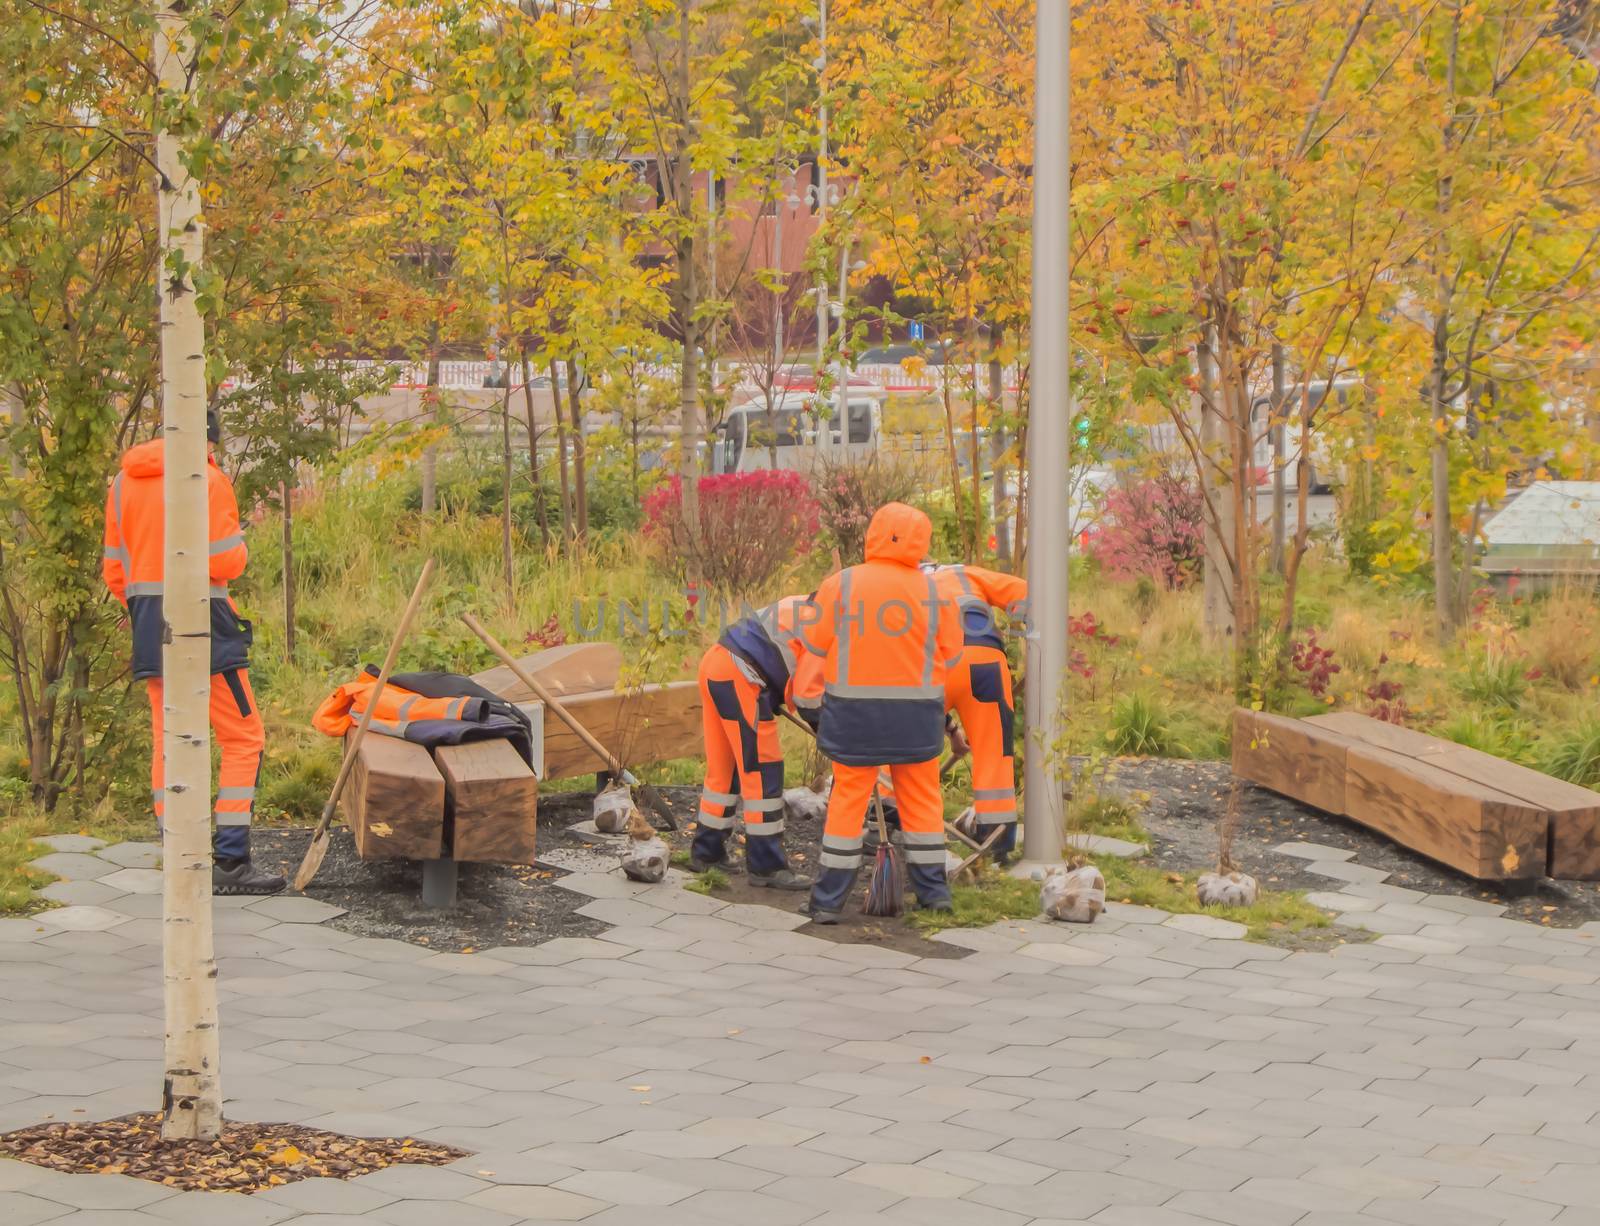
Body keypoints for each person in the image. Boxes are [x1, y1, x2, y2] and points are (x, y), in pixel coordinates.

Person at [102, 410, 285, 895]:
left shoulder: (124, 482)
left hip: (149, 626)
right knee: (243, 737)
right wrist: (241, 547)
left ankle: (178, 852)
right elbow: (226, 559)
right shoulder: (209, 478)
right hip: (206, 624)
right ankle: (229, 862)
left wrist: (143, 610)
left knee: (169, 736)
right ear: (210, 442)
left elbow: (114, 571)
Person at [801, 503, 964, 921]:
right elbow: (953, 652)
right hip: (916, 722)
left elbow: (814, 648)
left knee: (847, 807)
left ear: (875, 533)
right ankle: (935, 896)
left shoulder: (842, 584)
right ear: (920, 542)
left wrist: (809, 704)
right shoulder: (937, 591)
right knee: (923, 805)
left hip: (855, 721)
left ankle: (827, 903)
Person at [689, 594, 817, 889]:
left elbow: (780, 658)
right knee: (763, 771)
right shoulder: (827, 627)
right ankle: (767, 866)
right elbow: (812, 695)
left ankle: (706, 853)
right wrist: (827, 730)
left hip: (717, 664)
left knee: (726, 768)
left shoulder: (802, 605)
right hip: (741, 676)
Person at [926, 562, 1027, 860]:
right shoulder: (966, 574)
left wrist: (949, 728)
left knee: (905, 743)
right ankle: (997, 846)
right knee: (995, 753)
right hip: (986, 661)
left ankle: (895, 821)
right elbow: (1025, 595)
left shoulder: (902, 581)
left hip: (935, 663)